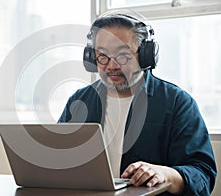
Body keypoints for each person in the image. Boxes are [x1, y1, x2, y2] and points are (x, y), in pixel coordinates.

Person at [58, 13, 217, 195]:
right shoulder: (79, 101)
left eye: (123, 55)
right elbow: (59, 160)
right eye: (102, 56)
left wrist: (167, 174)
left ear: (146, 55)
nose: (111, 66)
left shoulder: (177, 103)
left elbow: (203, 176)